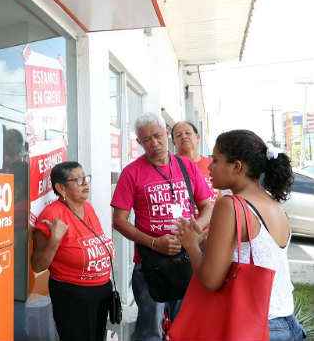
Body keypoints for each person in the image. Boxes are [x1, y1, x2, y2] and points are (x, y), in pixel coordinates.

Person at [176, 130, 306, 341]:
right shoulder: (274, 204)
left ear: (237, 167)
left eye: (216, 160)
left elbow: (210, 280)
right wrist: (203, 241)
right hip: (288, 323)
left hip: (255, 327)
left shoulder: (229, 205)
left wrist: (190, 244)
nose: (209, 166)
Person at [111, 113, 214, 341]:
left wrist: (192, 232)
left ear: (167, 133)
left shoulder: (187, 166)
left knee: (185, 328)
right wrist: (155, 242)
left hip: (187, 259)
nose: (154, 143)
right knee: (150, 332)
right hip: (150, 265)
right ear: (139, 142)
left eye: (157, 136)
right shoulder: (132, 172)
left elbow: (208, 206)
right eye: (146, 140)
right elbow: (119, 220)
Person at [32, 161, 114, 341]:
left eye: (85, 178)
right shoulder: (51, 215)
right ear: (61, 188)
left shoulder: (88, 207)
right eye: (77, 180)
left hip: (100, 292)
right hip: (73, 296)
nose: (85, 183)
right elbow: (38, 265)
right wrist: (54, 239)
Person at [172, 121, 219, 203]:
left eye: (188, 133)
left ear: (197, 137)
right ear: (174, 142)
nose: (184, 136)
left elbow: (219, 194)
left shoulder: (212, 164)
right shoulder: (169, 166)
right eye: (179, 135)